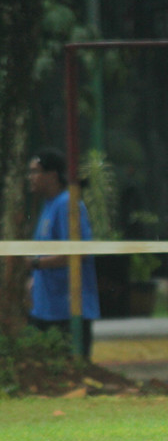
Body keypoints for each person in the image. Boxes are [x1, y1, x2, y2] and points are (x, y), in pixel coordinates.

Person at [27, 148, 101, 359]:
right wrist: (33, 280)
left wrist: (34, 265)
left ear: (52, 175)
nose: (30, 178)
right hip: (44, 309)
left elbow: (79, 252)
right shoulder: (48, 205)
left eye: (35, 172)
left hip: (69, 310)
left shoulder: (67, 205)